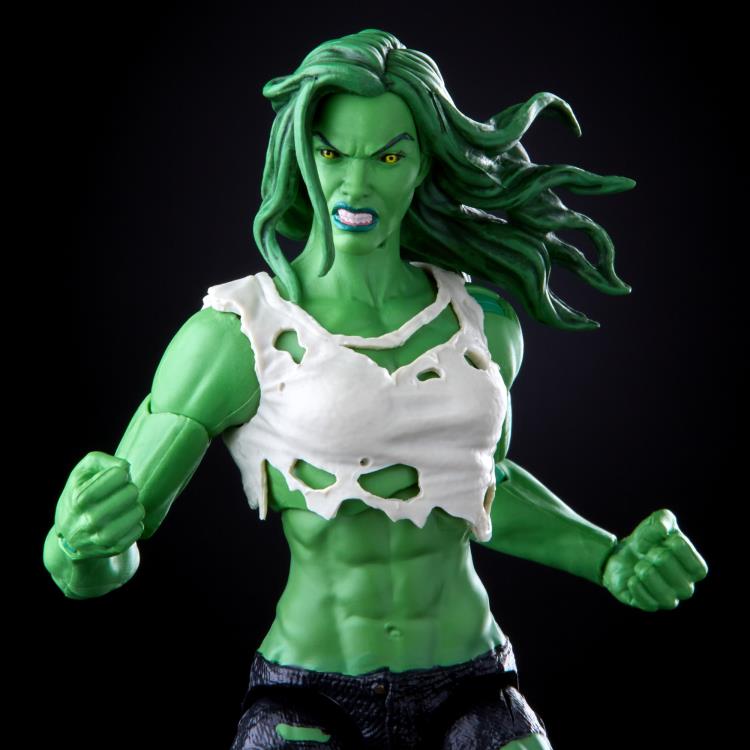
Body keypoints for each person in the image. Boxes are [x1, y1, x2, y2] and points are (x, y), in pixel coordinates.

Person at [43, 29, 708, 749]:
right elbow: (104, 553)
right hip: (309, 692)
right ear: (301, 156)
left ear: (422, 163)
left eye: (388, 156)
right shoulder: (237, 332)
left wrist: (607, 557)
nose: (356, 186)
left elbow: (480, 484)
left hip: (474, 676)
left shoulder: (485, 323)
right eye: (333, 153)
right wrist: (79, 543)